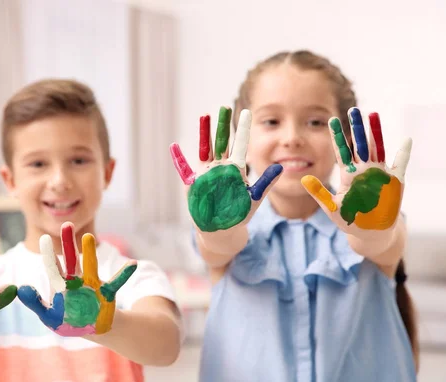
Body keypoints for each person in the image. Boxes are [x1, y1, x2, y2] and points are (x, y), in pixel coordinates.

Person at [0, 79, 182, 382]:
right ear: (10, 181)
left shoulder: (130, 276)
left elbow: (166, 344)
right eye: (38, 164)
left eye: (78, 160)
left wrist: (103, 322)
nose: (59, 180)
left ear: (108, 172)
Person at [170, 50, 416, 382]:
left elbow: (379, 241)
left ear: (344, 135)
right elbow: (218, 245)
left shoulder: (376, 217)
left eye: (315, 122)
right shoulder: (233, 230)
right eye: (271, 121)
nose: (292, 138)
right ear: (243, 133)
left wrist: (371, 225)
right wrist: (218, 224)